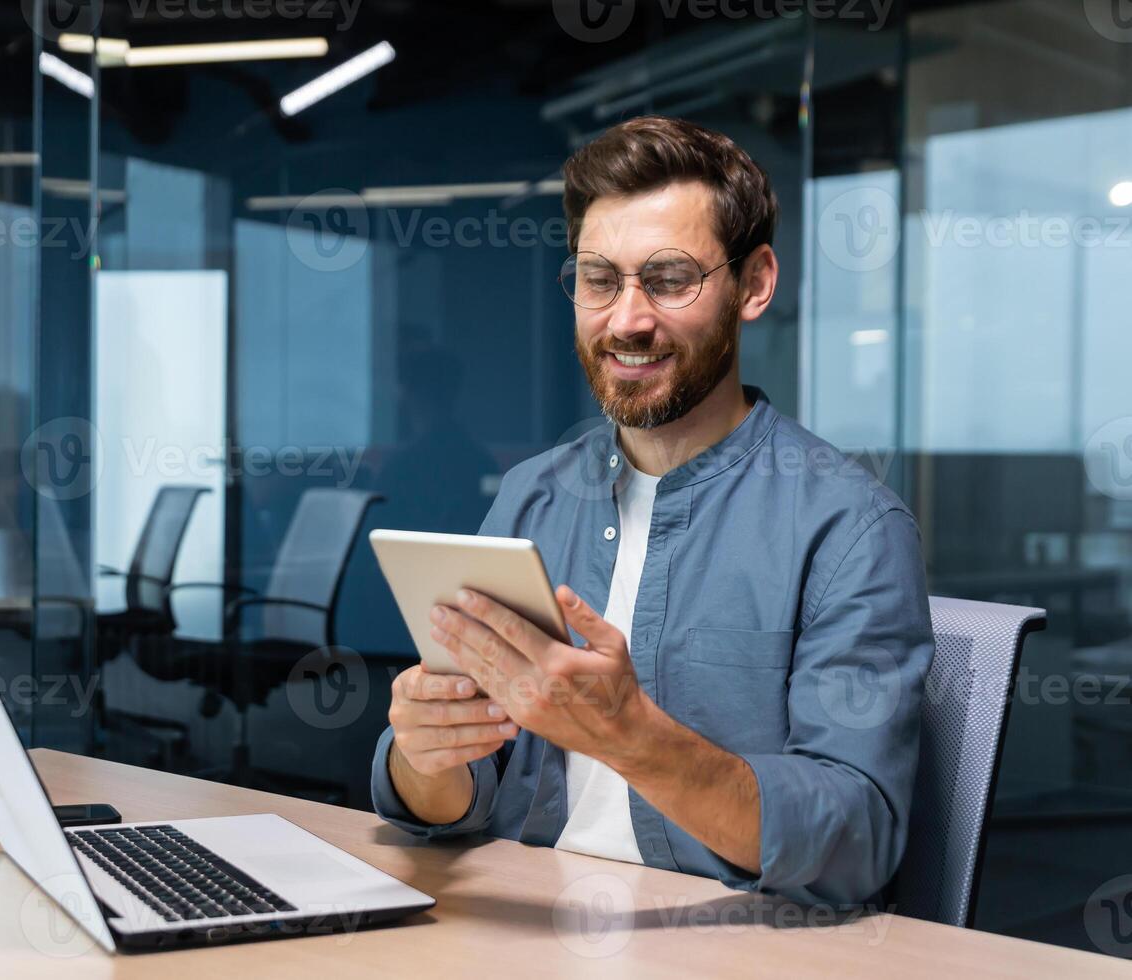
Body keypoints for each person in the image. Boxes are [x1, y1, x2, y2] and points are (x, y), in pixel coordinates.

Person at [369, 116, 934, 907]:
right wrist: (426, 756)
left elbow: (855, 841)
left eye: (669, 279)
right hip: (521, 923)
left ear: (756, 283)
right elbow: (456, 801)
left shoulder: (849, 528)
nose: (628, 320)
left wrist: (634, 739)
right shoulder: (530, 496)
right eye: (600, 279)